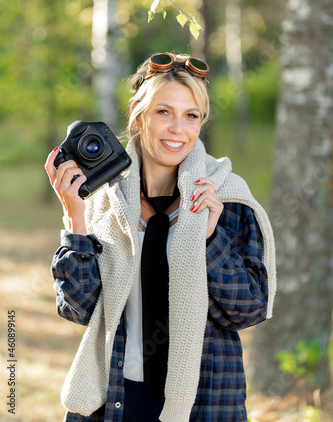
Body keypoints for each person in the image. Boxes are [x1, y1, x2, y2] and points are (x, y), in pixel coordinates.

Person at [45, 52, 276, 422]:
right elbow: (79, 309)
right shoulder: (104, 198)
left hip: (204, 404)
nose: (177, 129)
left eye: (191, 116)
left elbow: (249, 309)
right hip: (116, 400)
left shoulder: (226, 199)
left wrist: (210, 238)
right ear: (139, 115)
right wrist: (75, 217)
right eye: (163, 112)